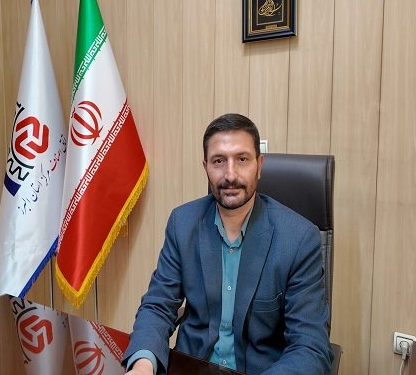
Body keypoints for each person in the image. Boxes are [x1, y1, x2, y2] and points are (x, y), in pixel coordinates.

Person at [122, 113, 332, 375]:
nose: (230, 175)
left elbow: (310, 346)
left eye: (242, 159)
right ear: (206, 167)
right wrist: (142, 365)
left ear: (259, 165)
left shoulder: (299, 239)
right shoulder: (182, 223)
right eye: (219, 161)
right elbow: (158, 305)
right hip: (192, 367)